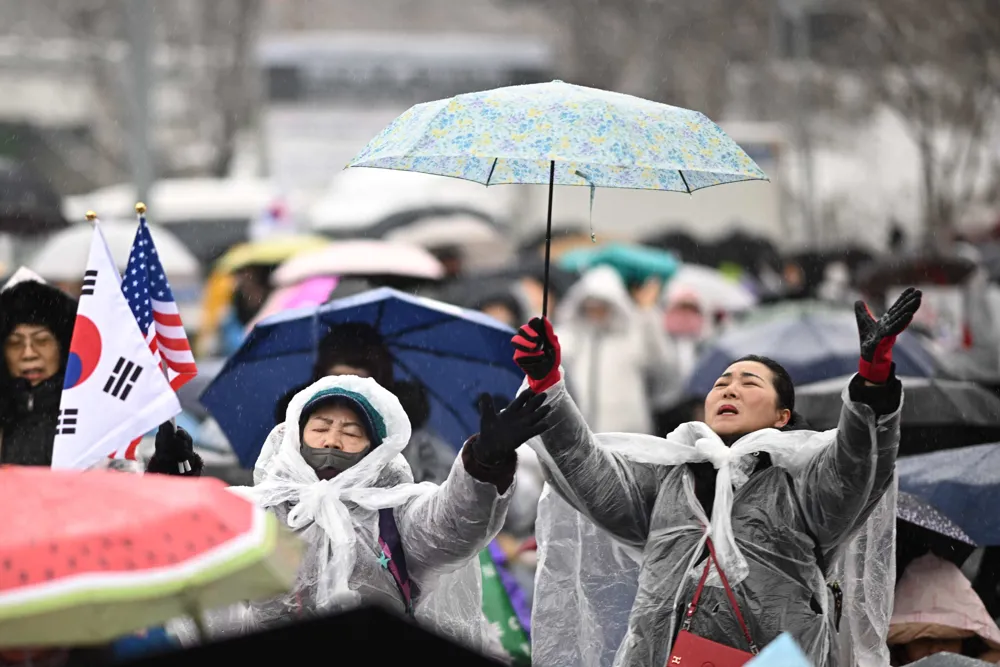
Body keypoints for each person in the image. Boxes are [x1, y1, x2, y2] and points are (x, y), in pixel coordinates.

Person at [511, 288, 922, 667]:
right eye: (722, 382)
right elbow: (588, 469)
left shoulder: (800, 485)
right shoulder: (669, 479)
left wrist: (873, 380)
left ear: (783, 416)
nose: (730, 389)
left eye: (749, 383)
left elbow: (857, 466)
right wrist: (547, 384)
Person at [191, 374, 548, 655]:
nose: (332, 441)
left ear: (376, 451)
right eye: (319, 428)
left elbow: (453, 525)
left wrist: (485, 461)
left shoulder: (395, 512)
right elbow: (184, 556)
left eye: (351, 432)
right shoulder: (256, 512)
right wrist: (171, 477)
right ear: (296, 438)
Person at [0, 277, 201, 474]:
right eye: (15, 343)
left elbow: (126, 492)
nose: (28, 353)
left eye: (42, 341)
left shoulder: (97, 415)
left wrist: (168, 471)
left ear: (63, 346)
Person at [274, 322, 456, 484]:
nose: (344, 394)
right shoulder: (291, 434)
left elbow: (438, 505)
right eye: (335, 381)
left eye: (357, 385)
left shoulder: (416, 445)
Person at [553, 265, 679, 434]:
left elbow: (662, 365)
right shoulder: (571, 337)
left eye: (601, 306)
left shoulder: (633, 336)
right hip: (582, 432)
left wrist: (648, 314)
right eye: (590, 306)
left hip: (627, 432)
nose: (595, 311)